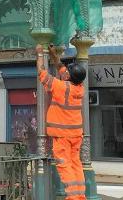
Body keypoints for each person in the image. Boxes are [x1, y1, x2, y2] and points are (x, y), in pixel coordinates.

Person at [36, 43, 87, 200]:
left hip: (63, 136)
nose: (65, 72)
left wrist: (39, 54)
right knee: (76, 165)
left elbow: (42, 73)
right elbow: (62, 70)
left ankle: (72, 197)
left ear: (69, 77)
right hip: (76, 135)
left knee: (64, 165)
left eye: (68, 72)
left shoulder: (61, 87)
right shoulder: (80, 87)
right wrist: (53, 55)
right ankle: (80, 196)